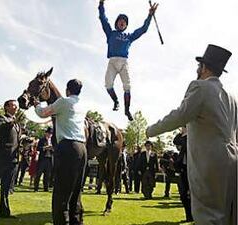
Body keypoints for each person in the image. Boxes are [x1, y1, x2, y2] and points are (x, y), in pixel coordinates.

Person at [146, 44, 237, 224]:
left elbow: (179, 116)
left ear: (203, 67)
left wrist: (151, 130)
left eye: (199, 66)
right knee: (230, 216)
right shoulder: (233, 99)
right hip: (233, 163)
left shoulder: (199, 87)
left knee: (208, 216)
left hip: (209, 163)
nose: (197, 69)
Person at [34, 79, 87, 225]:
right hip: (82, 148)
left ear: (67, 90)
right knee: (76, 191)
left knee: (61, 193)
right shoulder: (82, 104)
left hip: (68, 147)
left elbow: (43, 113)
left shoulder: (63, 101)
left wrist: (36, 104)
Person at [98, 0, 158, 121]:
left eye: (124, 22)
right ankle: (116, 102)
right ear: (117, 23)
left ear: (126, 25)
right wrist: (101, 4)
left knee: (127, 86)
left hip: (123, 62)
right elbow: (103, 19)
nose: (122, 22)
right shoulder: (111, 33)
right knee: (108, 84)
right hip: (112, 62)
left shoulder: (129, 36)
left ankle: (127, 110)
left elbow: (143, 29)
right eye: (120, 20)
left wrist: (150, 15)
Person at [173, 126, 193, 222]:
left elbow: (183, 143)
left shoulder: (192, 136)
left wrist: (185, 133)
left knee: (192, 193)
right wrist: (182, 133)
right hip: (183, 168)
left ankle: (193, 216)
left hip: (193, 167)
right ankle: (188, 216)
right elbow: (175, 141)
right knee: (184, 194)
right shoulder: (182, 137)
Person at [34, 127, 54, 192]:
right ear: (46, 133)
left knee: (47, 175)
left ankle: (46, 188)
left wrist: (52, 149)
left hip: (49, 159)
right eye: (49, 133)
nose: (50, 135)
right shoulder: (42, 140)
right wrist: (45, 148)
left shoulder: (52, 141)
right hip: (43, 159)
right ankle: (36, 188)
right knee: (39, 174)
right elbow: (38, 148)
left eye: (51, 133)